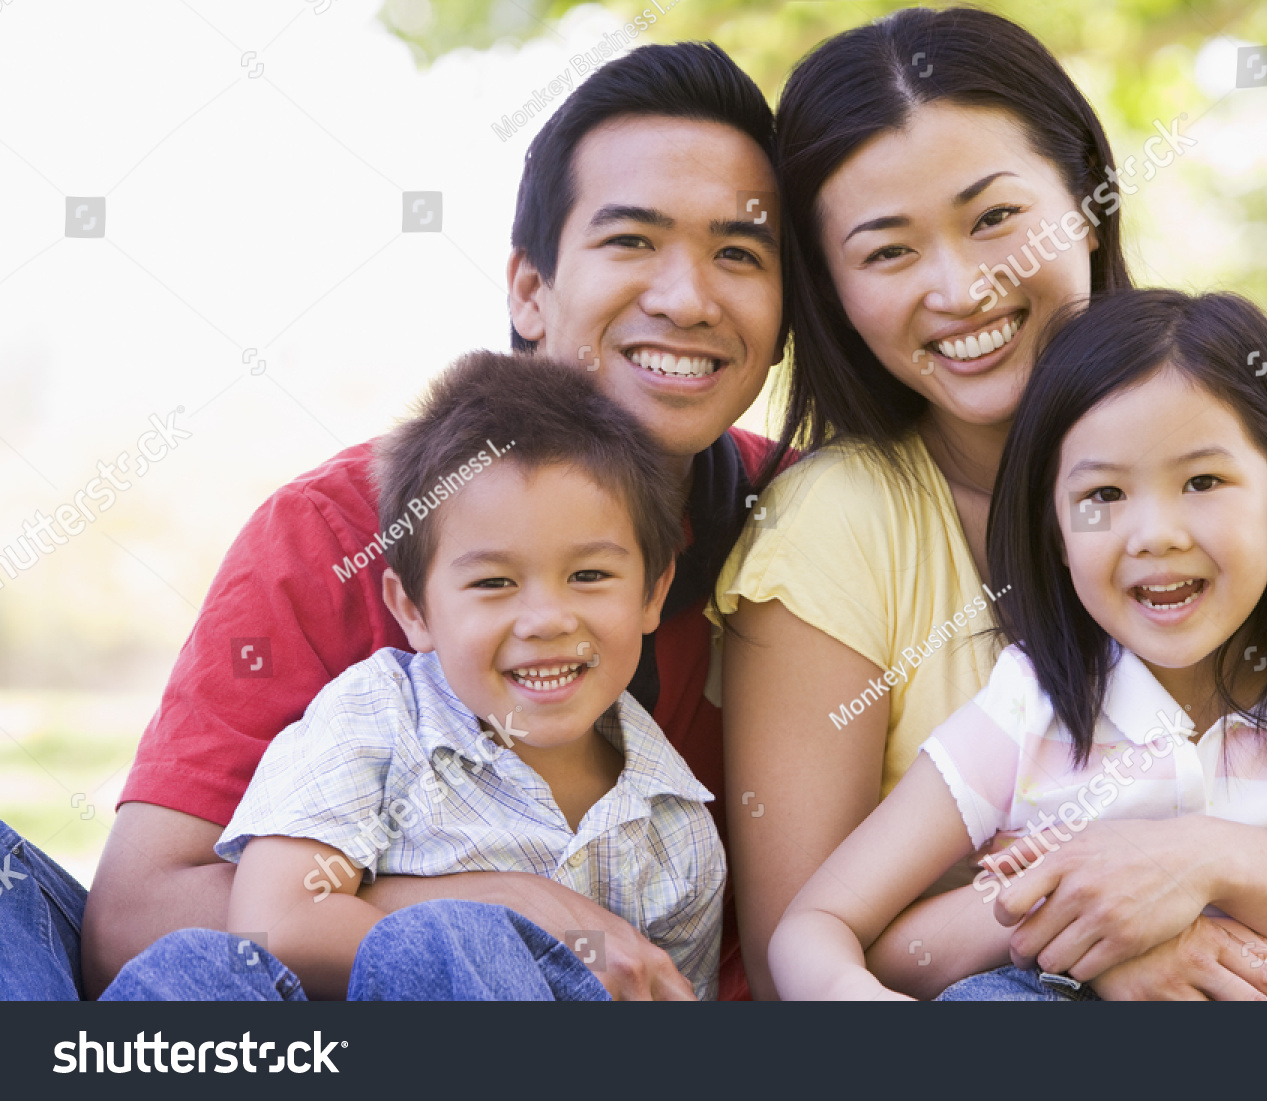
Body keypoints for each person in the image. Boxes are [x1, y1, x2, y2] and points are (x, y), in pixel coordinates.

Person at [0, 40, 783, 1002]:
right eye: (631, 241)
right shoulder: (336, 532)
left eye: (738, 253)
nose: (687, 297)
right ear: (530, 292)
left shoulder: (801, 528)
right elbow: (137, 920)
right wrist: (500, 906)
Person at [718, 8, 1267, 1000]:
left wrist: (1195, 861)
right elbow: (795, 961)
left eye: (995, 219)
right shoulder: (831, 532)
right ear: (833, 290)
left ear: (1090, 205)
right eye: (888, 252)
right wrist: (1098, 918)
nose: (963, 286)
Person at [768, 289, 1267, 1002]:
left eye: (1203, 480)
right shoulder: (1032, 711)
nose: (1155, 532)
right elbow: (818, 924)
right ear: (1054, 533)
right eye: (1104, 496)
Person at [190, 353, 721, 1001]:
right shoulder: (378, 718)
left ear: (652, 591)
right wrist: (499, 922)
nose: (548, 619)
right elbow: (277, 923)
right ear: (413, 609)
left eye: (588, 575)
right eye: (495, 582)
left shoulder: (677, 829)